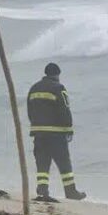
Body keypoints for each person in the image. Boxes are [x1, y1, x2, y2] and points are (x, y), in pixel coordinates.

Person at [27, 62, 86, 202]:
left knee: (42, 163)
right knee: (64, 163)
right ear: (57, 74)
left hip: (39, 133)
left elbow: (29, 110)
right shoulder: (59, 88)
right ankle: (70, 191)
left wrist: (35, 125)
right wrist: (69, 128)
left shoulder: (34, 88)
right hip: (56, 134)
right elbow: (64, 108)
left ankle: (42, 190)